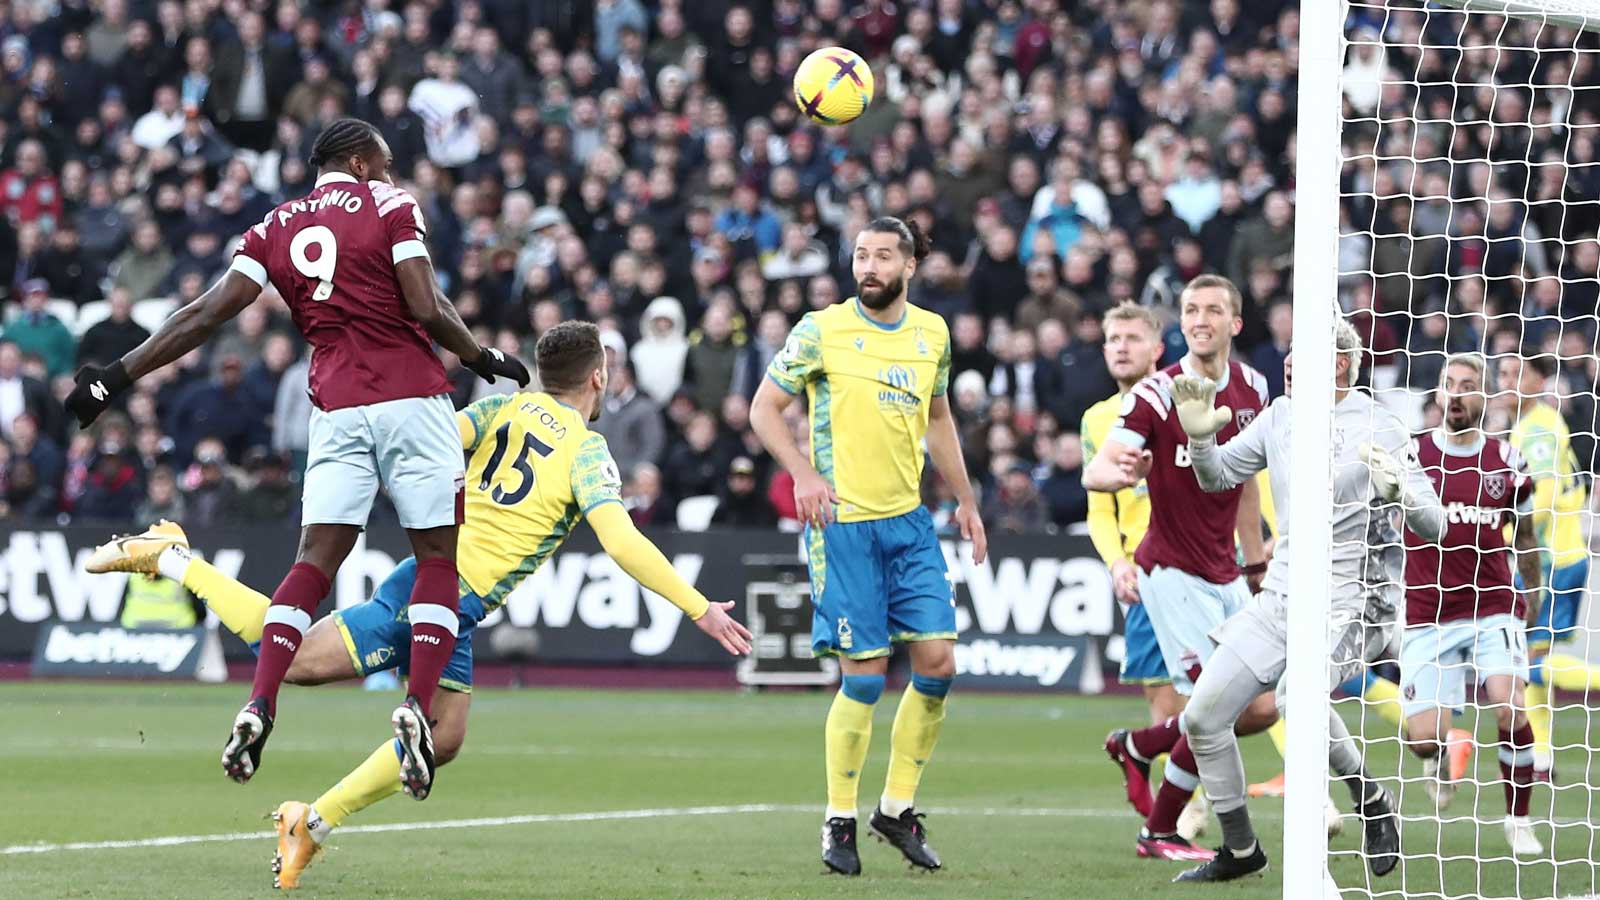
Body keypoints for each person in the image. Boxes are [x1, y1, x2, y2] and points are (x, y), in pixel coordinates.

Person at [86, 322, 751, 890]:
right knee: (294, 661)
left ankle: (308, 822)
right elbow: (622, 540)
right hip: (434, 594)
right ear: (600, 378)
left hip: (450, 595)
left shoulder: (501, 409)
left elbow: (429, 447)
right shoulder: (586, 451)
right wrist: (698, 608)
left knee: (447, 736)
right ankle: (173, 555)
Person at [63, 118, 531, 802]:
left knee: (311, 565)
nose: (393, 173)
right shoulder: (391, 206)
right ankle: (416, 705)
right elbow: (425, 305)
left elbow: (203, 314)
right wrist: (479, 355)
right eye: (386, 161)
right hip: (411, 398)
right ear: (360, 160)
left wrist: (114, 377)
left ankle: (259, 702)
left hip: (335, 408)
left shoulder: (275, 225)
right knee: (437, 562)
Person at [750, 216, 987, 876]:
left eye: (884, 255)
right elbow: (763, 409)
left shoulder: (932, 334)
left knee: (938, 664)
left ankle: (897, 808)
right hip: (844, 526)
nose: (870, 266)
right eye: (861, 255)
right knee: (864, 677)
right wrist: (802, 473)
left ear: (910, 267)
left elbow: (938, 420)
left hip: (908, 523)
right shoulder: (821, 330)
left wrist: (967, 502)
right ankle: (839, 820)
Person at [1163, 321, 1441, 882]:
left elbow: (1432, 523)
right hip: (1285, 592)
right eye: (1288, 355)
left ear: (1340, 363)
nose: (1287, 364)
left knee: (1297, 697)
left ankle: (1370, 801)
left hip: (1356, 598)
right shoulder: (1281, 416)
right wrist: (1198, 438)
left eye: (1303, 355)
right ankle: (1241, 850)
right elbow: (1217, 478)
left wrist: (1401, 493)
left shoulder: (1381, 425)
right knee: (1203, 716)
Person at [1082, 274, 1272, 860]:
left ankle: (1141, 747)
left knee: (1262, 706)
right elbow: (1095, 472)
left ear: (1234, 324)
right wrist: (1119, 472)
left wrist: (1256, 558)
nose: (1200, 318)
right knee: (1210, 709)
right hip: (1170, 573)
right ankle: (1160, 829)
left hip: (1226, 570)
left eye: (1213, 310)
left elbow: (1245, 485)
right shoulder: (1155, 395)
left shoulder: (1252, 387)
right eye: (1191, 309)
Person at [1399, 353, 1544, 856]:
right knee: (1422, 737)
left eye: (1468, 385)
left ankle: (1518, 820)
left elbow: (1523, 536)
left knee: (1509, 706)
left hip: (1493, 607)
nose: (1457, 394)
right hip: (1426, 612)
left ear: (1485, 398)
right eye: (1448, 385)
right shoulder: (1411, 456)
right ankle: (1439, 754)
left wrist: (1535, 590)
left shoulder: (1508, 461)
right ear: (1438, 394)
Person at [1496, 351, 1600, 778]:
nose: (1505, 381)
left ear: (1539, 381)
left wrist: (1501, 535)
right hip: (1551, 558)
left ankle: (1540, 752)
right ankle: (1542, 756)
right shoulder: (1531, 425)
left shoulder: (1537, 426)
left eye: (1516, 373)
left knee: (1533, 664)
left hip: (1551, 560)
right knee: (1532, 660)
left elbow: (1545, 493)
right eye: (1500, 373)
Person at [1080, 304, 1181, 725]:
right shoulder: (1097, 419)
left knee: (1236, 701)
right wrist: (1117, 563)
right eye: (1114, 339)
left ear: (1157, 348)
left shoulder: (1183, 402)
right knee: (1161, 701)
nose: (1122, 348)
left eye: (1133, 338)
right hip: (1145, 571)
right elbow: (1100, 510)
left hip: (1200, 565)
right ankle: (1187, 794)